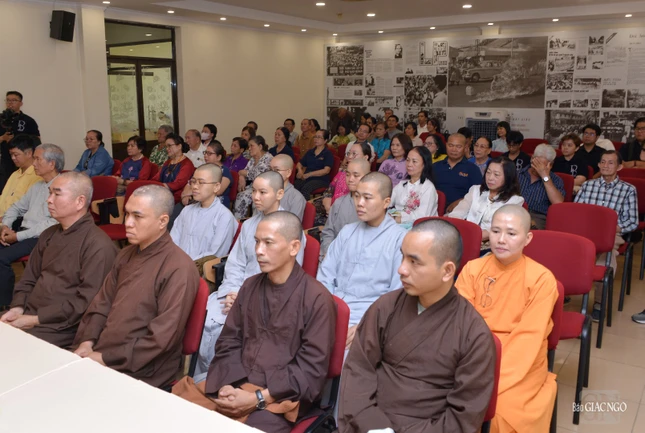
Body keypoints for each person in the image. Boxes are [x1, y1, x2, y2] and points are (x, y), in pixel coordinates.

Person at [173, 211, 336, 433]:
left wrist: (258, 397)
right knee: (177, 409)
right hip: (235, 381)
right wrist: (227, 385)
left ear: (294, 247)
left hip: (279, 397)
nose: (259, 250)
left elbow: (310, 371)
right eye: (257, 242)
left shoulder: (317, 299)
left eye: (268, 243)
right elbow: (228, 341)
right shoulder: (250, 286)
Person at [338, 219, 496, 433]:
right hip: (368, 423)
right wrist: (373, 426)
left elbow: (463, 417)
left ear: (447, 271)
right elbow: (358, 368)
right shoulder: (386, 306)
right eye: (402, 257)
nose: (401, 269)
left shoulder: (473, 334)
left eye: (414, 262)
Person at [73, 185, 199, 389]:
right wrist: (87, 341)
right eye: (127, 214)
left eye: (137, 216)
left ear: (162, 221)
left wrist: (104, 358)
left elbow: (162, 338)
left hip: (141, 367)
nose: (127, 223)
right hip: (100, 351)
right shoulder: (125, 254)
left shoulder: (179, 268)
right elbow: (101, 303)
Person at [456, 205, 558, 433]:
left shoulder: (541, 279)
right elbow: (459, 325)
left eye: (511, 233)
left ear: (527, 238)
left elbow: (529, 338)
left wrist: (488, 376)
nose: (501, 240)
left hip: (520, 362)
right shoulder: (472, 269)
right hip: (471, 354)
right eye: (495, 231)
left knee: (498, 413)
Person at [195, 171, 307, 378]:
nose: (255, 197)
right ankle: (203, 380)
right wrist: (232, 292)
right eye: (254, 191)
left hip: (268, 302)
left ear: (279, 193)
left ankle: (226, 379)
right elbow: (235, 265)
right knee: (208, 317)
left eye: (262, 192)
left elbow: (287, 279)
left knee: (228, 329)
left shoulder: (290, 228)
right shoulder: (248, 225)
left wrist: (245, 300)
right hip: (237, 291)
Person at [0, 172, 117, 347]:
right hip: (28, 314)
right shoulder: (48, 234)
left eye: (57, 194)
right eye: (49, 193)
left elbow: (84, 303)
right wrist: (17, 308)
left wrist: (34, 320)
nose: (48, 200)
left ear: (79, 201)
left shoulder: (98, 245)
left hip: (61, 327)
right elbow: (28, 279)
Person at [318, 172, 406, 346]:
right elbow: (325, 275)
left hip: (366, 317)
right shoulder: (347, 231)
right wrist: (323, 310)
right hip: (330, 308)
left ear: (386, 202)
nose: (359, 203)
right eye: (357, 196)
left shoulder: (400, 239)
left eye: (367, 198)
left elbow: (397, 294)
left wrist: (367, 325)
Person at [574, 150, 638, 321]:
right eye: (602, 162)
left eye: (610, 162)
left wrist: (614, 228)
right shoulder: (588, 186)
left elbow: (632, 221)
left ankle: (599, 303)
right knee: (563, 252)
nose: (605, 166)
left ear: (619, 167)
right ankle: (560, 292)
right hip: (586, 233)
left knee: (605, 261)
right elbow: (576, 211)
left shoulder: (628, 190)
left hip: (611, 234)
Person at [0, 144, 63, 309]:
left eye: (37, 159)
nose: (34, 163)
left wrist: (17, 236)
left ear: (52, 164)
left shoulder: (62, 187)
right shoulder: (37, 186)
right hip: (24, 232)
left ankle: (5, 304)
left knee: (1, 258)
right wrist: (5, 226)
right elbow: (15, 207)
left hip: (42, 237)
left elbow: (52, 223)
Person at [171, 164, 238, 275]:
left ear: (216, 187)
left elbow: (214, 255)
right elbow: (173, 240)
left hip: (199, 273)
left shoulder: (224, 216)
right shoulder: (187, 210)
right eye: (193, 181)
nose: (195, 187)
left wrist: (184, 266)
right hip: (175, 266)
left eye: (201, 183)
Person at [448, 157, 525, 247]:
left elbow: (498, 229)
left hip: (491, 244)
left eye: (496, 175)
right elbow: (457, 213)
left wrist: (470, 237)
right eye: (488, 172)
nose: (490, 178)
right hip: (463, 237)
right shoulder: (475, 190)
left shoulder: (515, 201)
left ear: (508, 178)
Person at [320, 159, 370, 260]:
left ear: (367, 177)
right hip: (333, 255)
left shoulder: (372, 207)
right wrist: (328, 251)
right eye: (347, 175)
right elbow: (328, 231)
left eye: (356, 175)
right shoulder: (339, 202)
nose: (350, 179)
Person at [518, 144, 565, 229]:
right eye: (536, 164)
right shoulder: (518, 174)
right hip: (516, 211)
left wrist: (544, 176)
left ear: (550, 165)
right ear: (532, 159)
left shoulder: (556, 180)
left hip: (538, 217)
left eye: (542, 166)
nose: (538, 169)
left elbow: (558, 203)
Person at [434, 133, 483, 213]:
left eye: (458, 146)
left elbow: (478, 194)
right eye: (451, 145)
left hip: (461, 211)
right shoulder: (435, 166)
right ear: (446, 145)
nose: (454, 149)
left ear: (465, 148)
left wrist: (462, 202)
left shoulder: (473, 169)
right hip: (435, 210)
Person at [0, 91, 40, 190]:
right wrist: (3, 138)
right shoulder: (1, 119)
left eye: (14, 100)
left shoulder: (28, 121)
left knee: (22, 187)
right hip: (4, 160)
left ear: (21, 103)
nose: (10, 103)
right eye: (8, 100)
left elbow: (37, 142)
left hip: (24, 161)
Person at [390, 146, 438, 224]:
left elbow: (422, 216)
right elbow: (388, 200)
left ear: (424, 164)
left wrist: (397, 219)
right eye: (408, 160)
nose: (409, 164)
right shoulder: (402, 184)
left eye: (414, 161)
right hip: (397, 222)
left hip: (419, 226)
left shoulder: (428, 188)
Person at [322, 141, 372, 214]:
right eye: (349, 153)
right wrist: (327, 204)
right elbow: (329, 190)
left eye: (354, 154)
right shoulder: (343, 172)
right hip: (330, 209)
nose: (350, 157)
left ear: (365, 157)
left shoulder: (369, 179)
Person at [0, 134, 41, 219]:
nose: (13, 158)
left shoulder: (37, 176)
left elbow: (28, 209)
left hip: (15, 222)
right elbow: (3, 199)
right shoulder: (15, 174)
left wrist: (5, 219)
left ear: (29, 153)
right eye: (11, 154)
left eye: (16, 155)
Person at [234, 136, 273, 219]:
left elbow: (258, 175)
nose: (249, 149)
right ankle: (238, 221)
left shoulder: (268, 158)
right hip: (253, 187)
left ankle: (255, 222)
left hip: (265, 188)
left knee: (246, 197)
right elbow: (243, 171)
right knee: (241, 195)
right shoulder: (253, 159)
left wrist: (244, 173)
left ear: (260, 147)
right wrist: (241, 177)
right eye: (249, 146)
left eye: (252, 146)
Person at [152, 133, 195, 203]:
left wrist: (160, 186)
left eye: (169, 146)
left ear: (179, 146)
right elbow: (156, 178)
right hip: (162, 193)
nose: (167, 149)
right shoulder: (168, 162)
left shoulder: (187, 164)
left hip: (176, 198)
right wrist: (150, 184)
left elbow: (178, 184)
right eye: (166, 146)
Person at [295, 129, 334, 200]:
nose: (316, 139)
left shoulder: (327, 153)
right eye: (315, 137)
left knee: (306, 188)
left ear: (325, 140)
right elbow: (299, 163)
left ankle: (306, 206)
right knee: (296, 185)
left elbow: (326, 170)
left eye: (319, 137)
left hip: (321, 179)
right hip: (308, 177)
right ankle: (295, 205)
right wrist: (300, 171)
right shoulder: (310, 152)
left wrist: (310, 174)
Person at [267, 155, 306, 221]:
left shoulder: (296, 198)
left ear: (288, 172)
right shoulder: (265, 192)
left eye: (276, 170)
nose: (272, 173)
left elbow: (293, 225)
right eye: (270, 169)